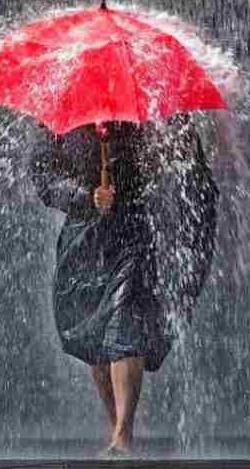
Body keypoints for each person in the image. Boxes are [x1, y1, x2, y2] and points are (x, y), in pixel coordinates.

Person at [29, 119, 218, 458]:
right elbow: (43, 178)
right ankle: (117, 426)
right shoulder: (57, 118)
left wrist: (157, 164)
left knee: (125, 325)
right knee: (95, 336)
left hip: (132, 230)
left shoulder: (143, 112)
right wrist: (86, 196)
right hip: (83, 241)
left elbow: (179, 160)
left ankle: (123, 435)